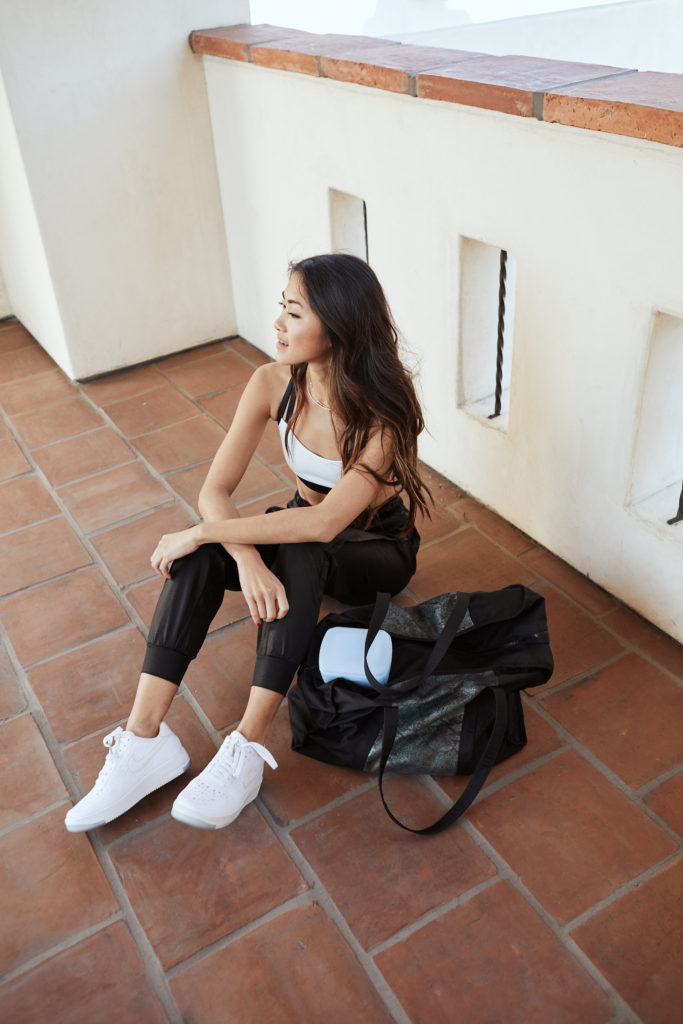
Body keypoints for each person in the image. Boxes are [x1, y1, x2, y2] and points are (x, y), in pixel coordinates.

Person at [65, 253, 432, 833]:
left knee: (286, 545)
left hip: (374, 554)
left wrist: (209, 530)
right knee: (204, 554)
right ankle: (143, 741)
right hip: (308, 530)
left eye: (293, 313)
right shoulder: (271, 383)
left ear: (337, 327)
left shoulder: (383, 413)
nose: (278, 325)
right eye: (280, 309)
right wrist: (241, 557)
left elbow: (322, 524)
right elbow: (215, 489)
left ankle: (247, 748)